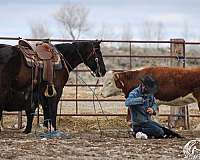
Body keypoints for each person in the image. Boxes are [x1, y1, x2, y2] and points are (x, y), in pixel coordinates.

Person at [125, 74, 164, 139]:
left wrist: (152, 109)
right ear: (143, 86)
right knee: (160, 132)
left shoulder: (150, 93)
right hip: (139, 123)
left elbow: (154, 104)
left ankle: (144, 134)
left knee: (163, 129)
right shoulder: (134, 93)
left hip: (147, 122)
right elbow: (127, 102)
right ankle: (136, 132)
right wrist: (140, 100)